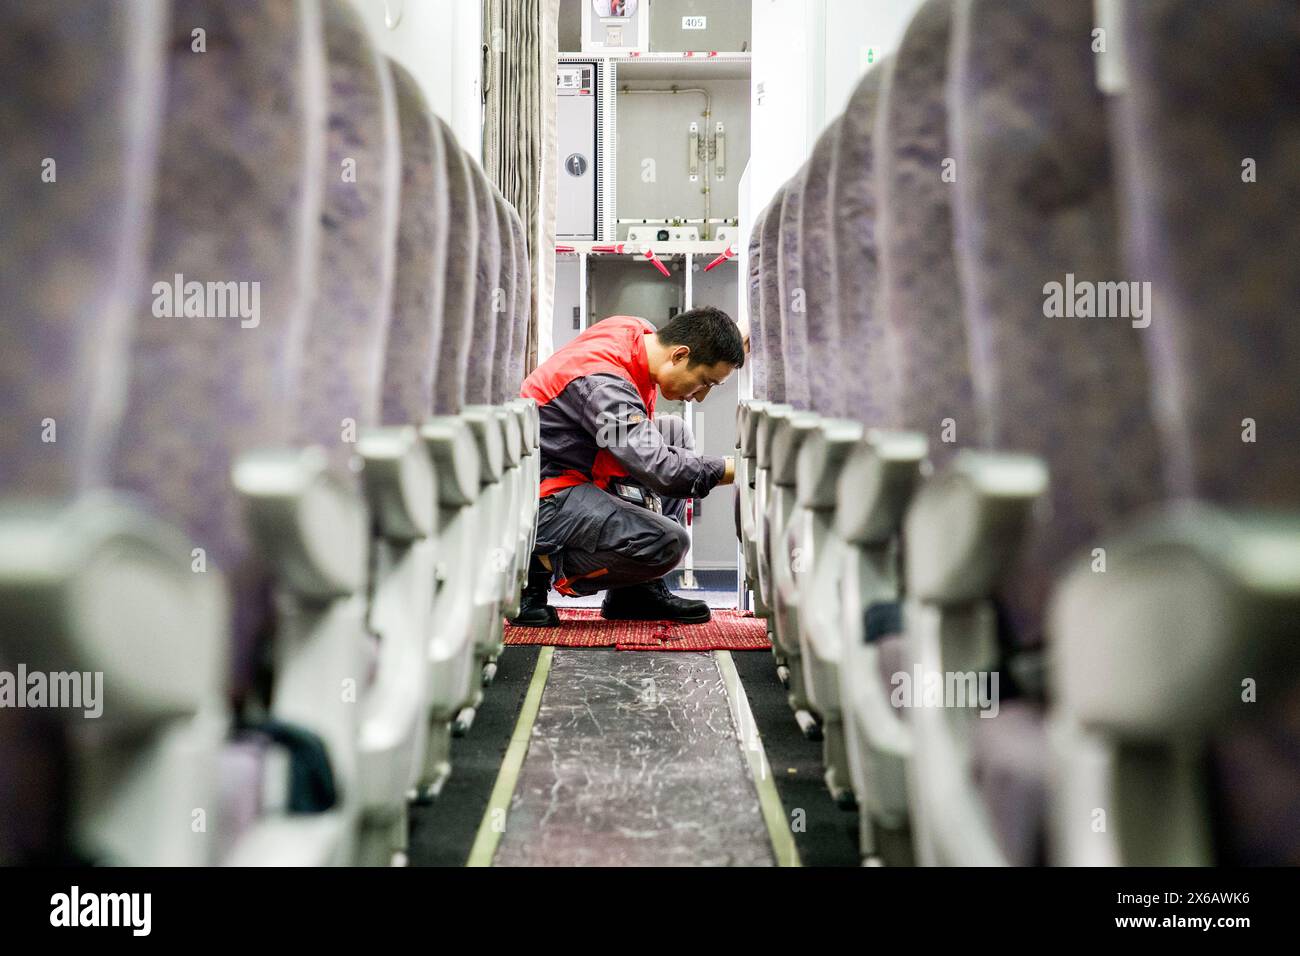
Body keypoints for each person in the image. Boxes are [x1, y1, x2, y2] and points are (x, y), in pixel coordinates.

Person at [510, 307, 744, 626]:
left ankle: (635, 592)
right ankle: (533, 571)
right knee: (668, 542)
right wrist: (742, 468)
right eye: (705, 382)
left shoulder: (638, 333)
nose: (700, 397)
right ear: (679, 355)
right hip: (545, 498)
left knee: (674, 431)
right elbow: (662, 469)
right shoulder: (602, 383)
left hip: (581, 466)